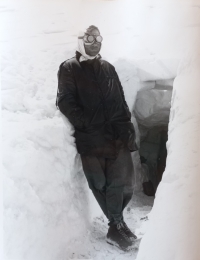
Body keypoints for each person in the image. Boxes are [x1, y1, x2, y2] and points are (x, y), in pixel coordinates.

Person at [56, 25, 138, 251]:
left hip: (116, 135)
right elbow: (65, 102)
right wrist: (87, 123)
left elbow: (120, 100)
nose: (94, 41)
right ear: (81, 41)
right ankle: (116, 226)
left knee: (124, 183)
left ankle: (117, 222)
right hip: (91, 139)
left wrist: (126, 125)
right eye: (89, 37)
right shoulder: (70, 67)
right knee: (100, 184)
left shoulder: (108, 67)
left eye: (98, 37)